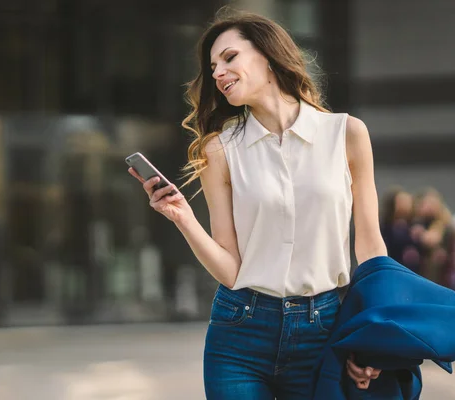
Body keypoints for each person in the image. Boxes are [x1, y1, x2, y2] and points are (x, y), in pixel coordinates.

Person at [128, 8, 387, 399]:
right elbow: (232, 271)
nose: (217, 73)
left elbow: (369, 248)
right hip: (240, 332)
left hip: (325, 328)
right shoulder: (219, 150)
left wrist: (372, 333)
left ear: (267, 56)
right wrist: (182, 217)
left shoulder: (347, 134)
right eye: (213, 66)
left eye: (229, 57)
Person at [379, 186, 421, 273]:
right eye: (401, 201)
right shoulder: (385, 227)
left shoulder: (416, 225)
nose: (406, 205)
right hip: (393, 270)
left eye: (408, 201)